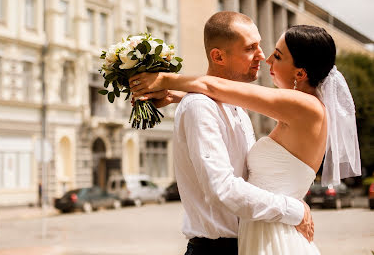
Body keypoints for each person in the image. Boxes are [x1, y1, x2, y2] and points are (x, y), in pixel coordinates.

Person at [129, 18, 361, 254]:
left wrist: (164, 79)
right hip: (245, 239)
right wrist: (178, 95)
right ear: (219, 56)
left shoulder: (304, 106)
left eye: (277, 56)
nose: (265, 57)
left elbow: (214, 89)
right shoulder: (219, 106)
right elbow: (214, 96)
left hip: (271, 237)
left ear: (300, 73)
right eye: (252, 48)